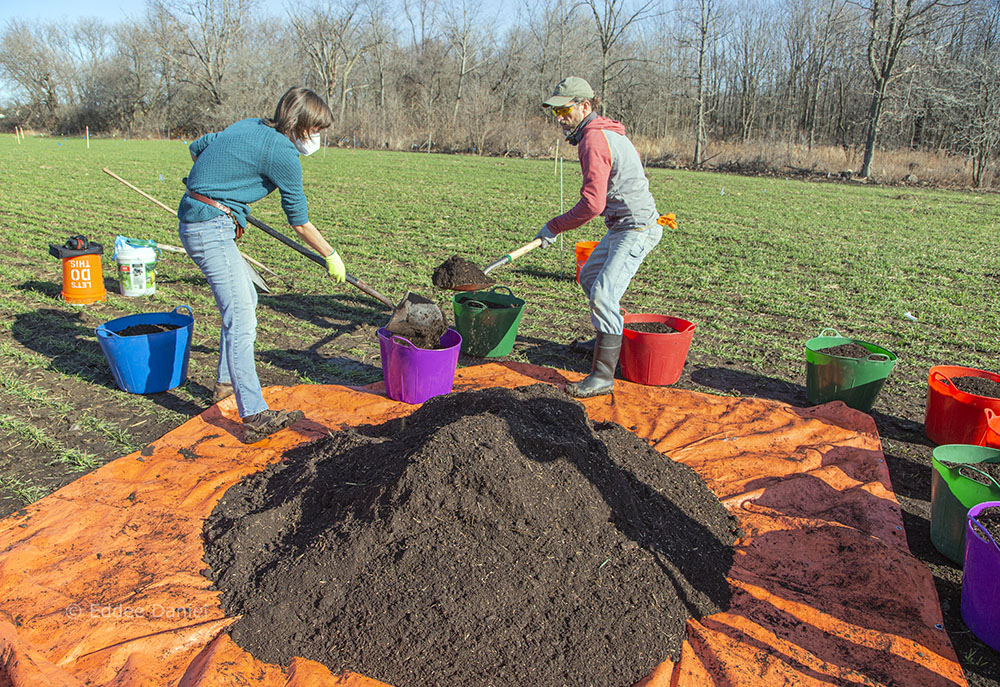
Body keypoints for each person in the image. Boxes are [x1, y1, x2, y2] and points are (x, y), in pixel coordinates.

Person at [178, 86, 345, 443]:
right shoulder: (283, 153)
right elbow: (299, 220)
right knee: (242, 318)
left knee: (247, 301)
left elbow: (199, 147)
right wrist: (330, 254)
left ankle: (225, 385)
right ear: (299, 125)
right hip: (211, 228)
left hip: (204, 218)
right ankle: (254, 414)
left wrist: (212, 184)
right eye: (316, 130)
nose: (318, 137)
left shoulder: (248, 125)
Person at [536, 76, 666, 398]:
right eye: (555, 113)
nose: (560, 118)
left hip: (636, 228)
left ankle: (603, 375)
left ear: (585, 106)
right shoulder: (598, 133)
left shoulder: (594, 140)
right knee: (591, 276)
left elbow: (592, 204)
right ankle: (605, 337)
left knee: (603, 296)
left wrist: (554, 226)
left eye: (565, 110)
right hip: (621, 225)